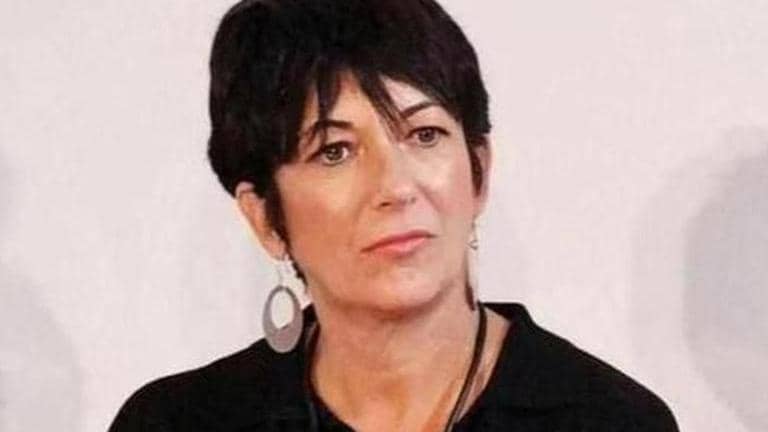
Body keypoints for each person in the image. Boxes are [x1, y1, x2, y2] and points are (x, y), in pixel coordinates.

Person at [109, 0, 679, 430]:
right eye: (335, 151)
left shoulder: (609, 419)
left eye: (424, 134)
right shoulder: (178, 421)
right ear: (265, 218)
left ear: (478, 171)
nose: (395, 187)